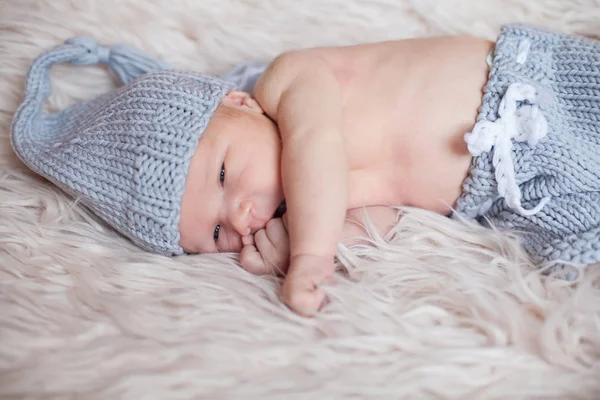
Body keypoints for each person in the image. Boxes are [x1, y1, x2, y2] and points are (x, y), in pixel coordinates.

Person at [10, 24, 600, 317]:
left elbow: (318, 146)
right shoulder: (308, 205)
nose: (239, 215)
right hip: (522, 191)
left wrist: (308, 256)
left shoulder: (288, 82)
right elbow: (387, 220)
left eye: (221, 175)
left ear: (237, 104)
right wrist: (302, 239)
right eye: (215, 233)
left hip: (531, 95)